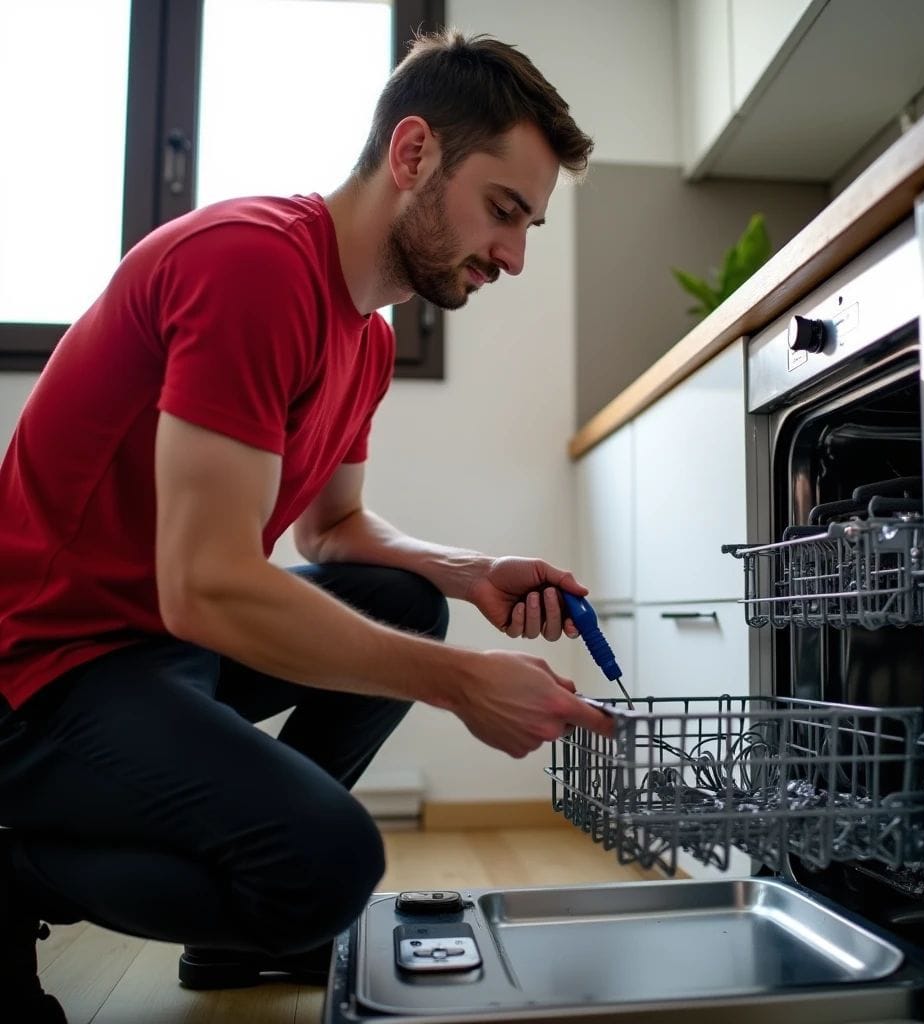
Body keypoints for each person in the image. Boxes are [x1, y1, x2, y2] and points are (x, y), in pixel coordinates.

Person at [0, 29, 613, 1022]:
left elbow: (337, 533)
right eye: (504, 211)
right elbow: (202, 584)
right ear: (412, 154)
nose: (513, 254)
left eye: (529, 226)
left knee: (404, 599)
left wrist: (471, 571)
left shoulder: (365, 338)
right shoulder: (252, 267)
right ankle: (16, 875)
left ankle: (230, 932)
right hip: (38, 673)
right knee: (327, 867)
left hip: (152, 642)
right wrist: (462, 686)